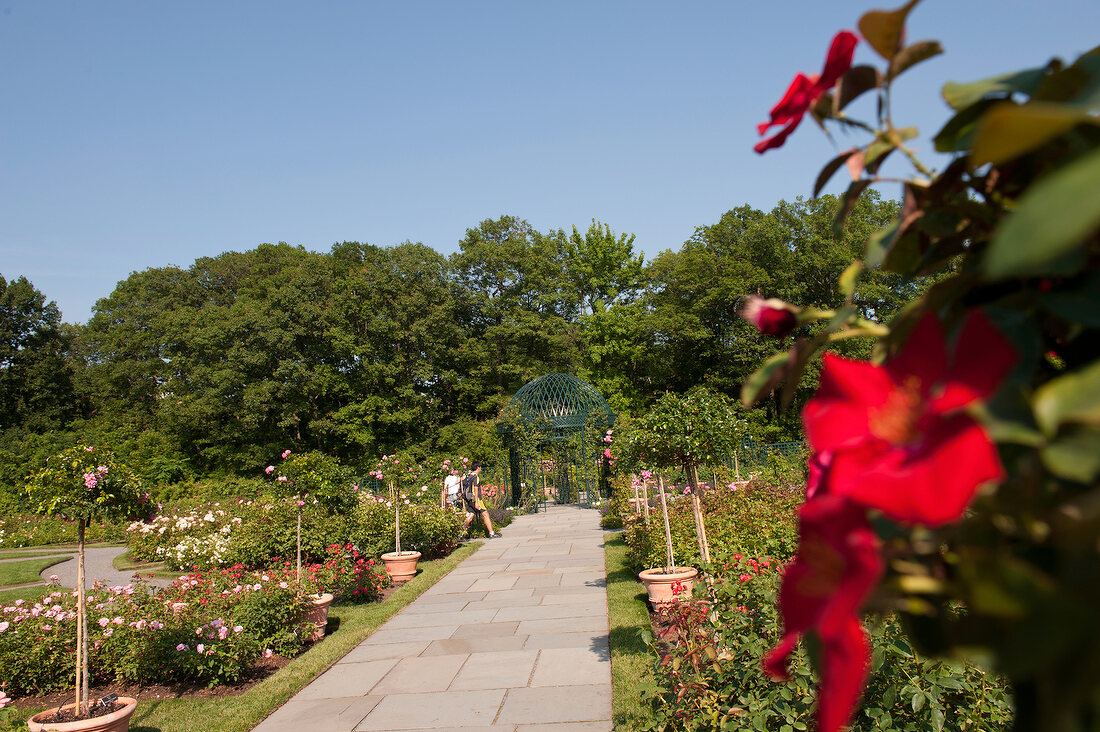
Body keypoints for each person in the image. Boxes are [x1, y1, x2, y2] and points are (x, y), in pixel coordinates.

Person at [461, 462, 501, 538]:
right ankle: (491, 533)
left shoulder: (469, 477)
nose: (481, 469)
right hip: (477, 501)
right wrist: (476, 502)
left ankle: (460, 534)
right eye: (480, 467)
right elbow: (475, 489)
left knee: (470, 516)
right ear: (478, 467)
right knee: (485, 514)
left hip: (470, 500)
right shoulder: (476, 477)